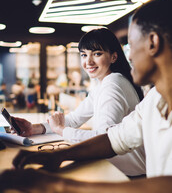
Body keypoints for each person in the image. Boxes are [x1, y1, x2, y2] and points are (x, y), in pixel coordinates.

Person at [0, 0, 172, 193]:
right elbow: (115, 138)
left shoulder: (115, 83)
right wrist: (59, 155)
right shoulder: (155, 98)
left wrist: (58, 186)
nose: (129, 55)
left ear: (153, 43)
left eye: (131, 45)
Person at [12, 28, 145, 176]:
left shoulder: (113, 83)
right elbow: (75, 119)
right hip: (117, 169)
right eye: (83, 55)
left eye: (97, 54)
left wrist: (61, 130)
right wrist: (34, 128)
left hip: (128, 175)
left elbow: (103, 138)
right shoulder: (103, 83)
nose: (88, 62)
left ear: (113, 57)